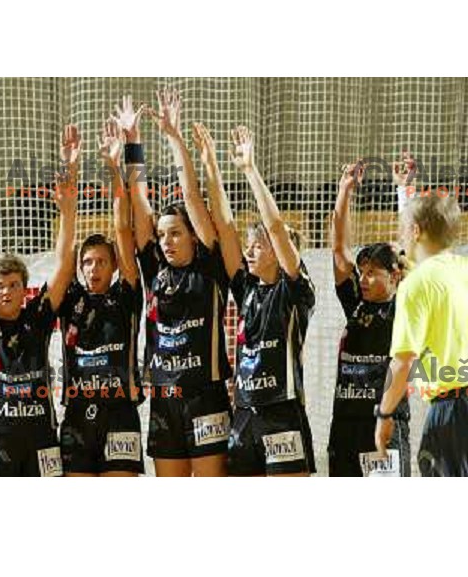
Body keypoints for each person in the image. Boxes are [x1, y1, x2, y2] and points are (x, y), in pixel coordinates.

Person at [193, 123, 316, 476]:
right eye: (252, 244)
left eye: (258, 245)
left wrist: (250, 170)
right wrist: (212, 167)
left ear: (278, 253)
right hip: (244, 415)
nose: (249, 249)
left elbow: (276, 228)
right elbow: (226, 228)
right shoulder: (246, 287)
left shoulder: (295, 290)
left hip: (283, 413)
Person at [0, 125, 78, 477]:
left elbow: (64, 265)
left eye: (14, 284)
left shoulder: (36, 318)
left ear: (25, 289)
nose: (7, 291)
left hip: (42, 436)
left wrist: (69, 206)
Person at [133, 89, 232, 476]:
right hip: (164, 398)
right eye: (162, 236)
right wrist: (133, 145)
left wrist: (173, 137)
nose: (166, 241)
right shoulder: (155, 270)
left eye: (175, 233)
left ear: (193, 235)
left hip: (206, 395)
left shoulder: (210, 266)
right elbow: (139, 204)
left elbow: (191, 196)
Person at [59, 107, 144, 476]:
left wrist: (115, 167)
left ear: (113, 267)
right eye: (88, 262)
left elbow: (123, 228)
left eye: (101, 262)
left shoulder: (126, 293)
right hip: (77, 416)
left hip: (120, 413)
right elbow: (66, 235)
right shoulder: (70, 298)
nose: (94, 268)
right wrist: (72, 169)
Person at [375, 191, 468, 477]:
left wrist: (385, 414)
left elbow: (402, 362)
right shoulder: (462, 270)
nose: (400, 235)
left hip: (452, 413)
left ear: (415, 230)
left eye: (404, 227)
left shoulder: (415, 285)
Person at [328, 160, 411, 477]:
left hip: (385, 425)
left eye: (372, 273)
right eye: (361, 272)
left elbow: (408, 252)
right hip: (344, 427)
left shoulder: (403, 307)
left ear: (394, 277)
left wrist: (402, 191)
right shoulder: (355, 304)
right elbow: (338, 249)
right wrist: (344, 191)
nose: (362, 279)